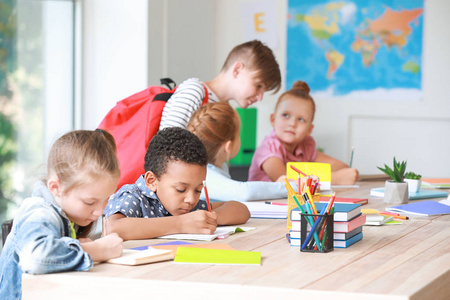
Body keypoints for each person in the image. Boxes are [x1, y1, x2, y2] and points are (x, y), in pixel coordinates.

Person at [0, 129, 123, 299]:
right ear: (56, 188)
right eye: (89, 202)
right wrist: (94, 250)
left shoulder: (68, 214)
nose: (100, 211)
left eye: (106, 199)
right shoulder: (40, 213)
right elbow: (34, 257)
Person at [104, 127, 250, 241]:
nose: (191, 199)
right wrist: (181, 223)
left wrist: (209, 219)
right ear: (152, 181)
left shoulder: (186, 206)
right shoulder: (133, 197)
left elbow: (241, 210)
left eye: (198, 190)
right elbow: (114, 227)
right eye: (181, 189)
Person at [248, 81, 359, 185]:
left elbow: (340, 167)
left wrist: (311, 174)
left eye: (301, 119)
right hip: (262, 205)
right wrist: (334, 178)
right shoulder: (268, 148)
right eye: (286, 115)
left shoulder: (305, 146)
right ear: (273, 119)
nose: (292, 123)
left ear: (309, 130)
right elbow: (286, 182)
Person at [159, 39, 282, 130]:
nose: (260, 97)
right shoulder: (194, 92)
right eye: (259, 86)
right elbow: (165, 149)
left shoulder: (226, 110)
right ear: (237, 70)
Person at [187, 102, 291, 202]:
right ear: (228, 146)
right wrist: (291, 187)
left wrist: (278, 186)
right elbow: (245, 192)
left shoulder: (218, 166)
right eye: (238, 135)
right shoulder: (204, 175)